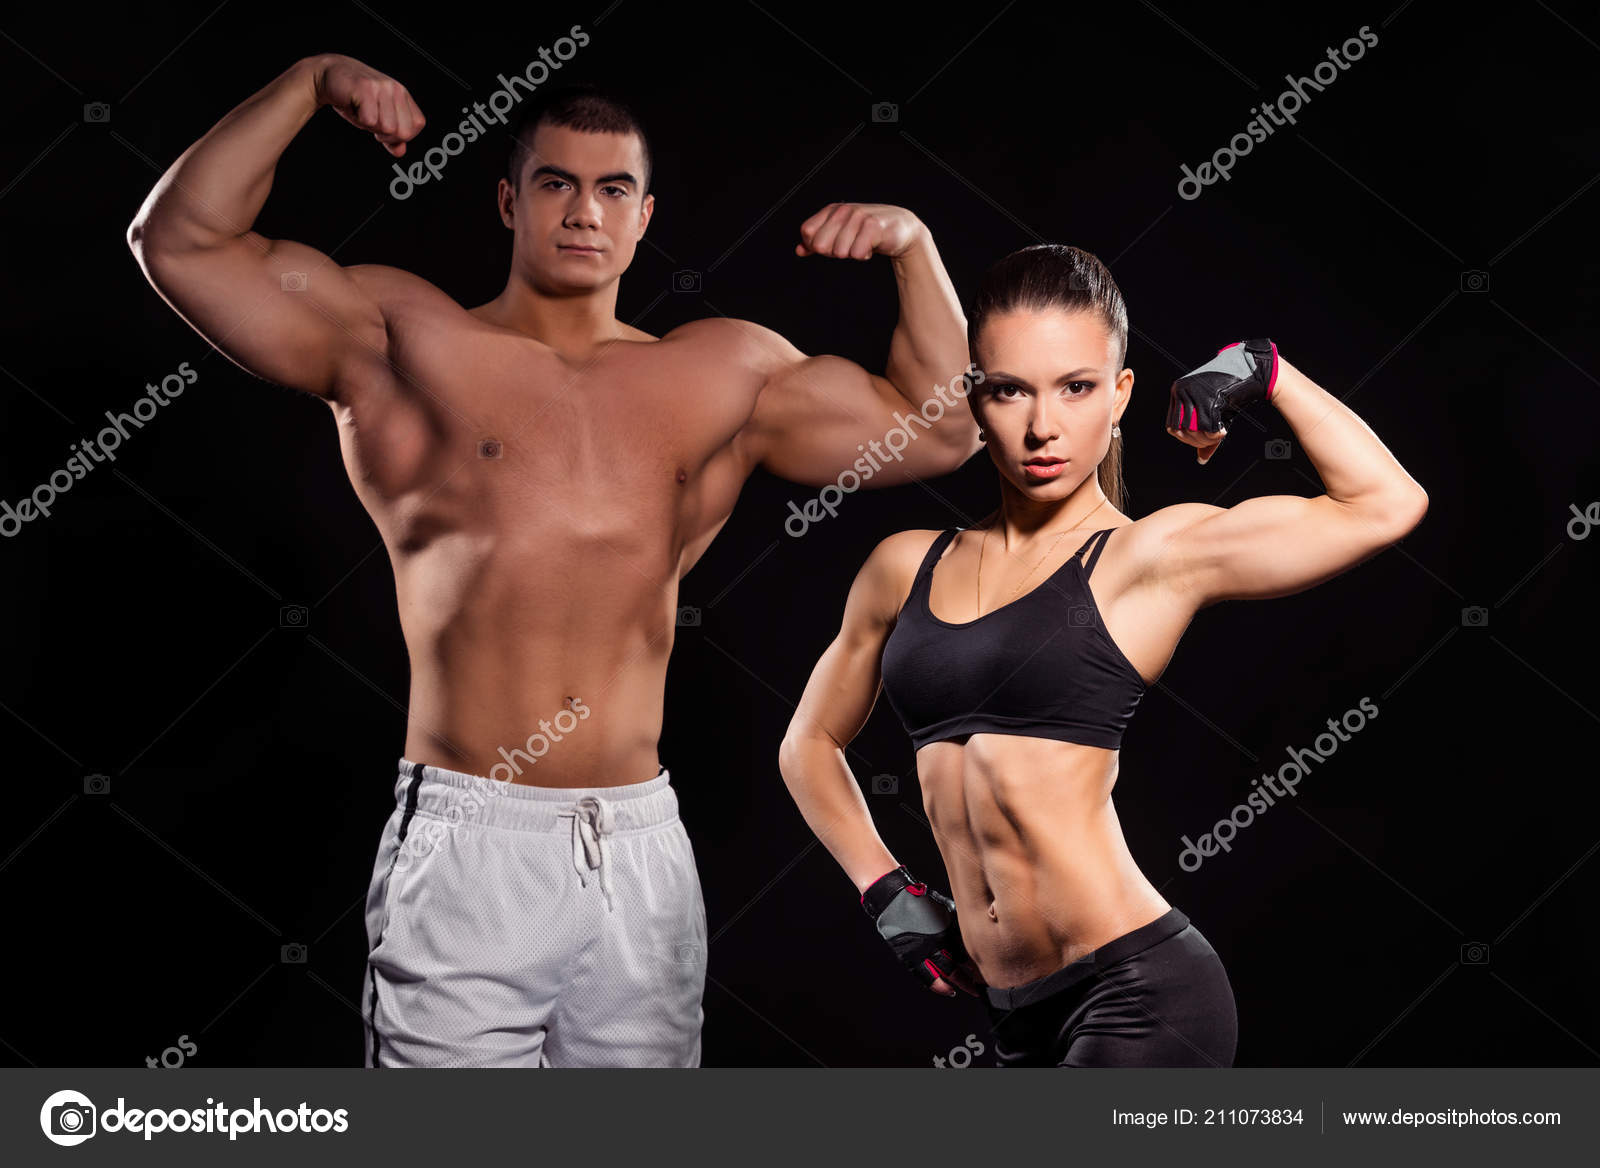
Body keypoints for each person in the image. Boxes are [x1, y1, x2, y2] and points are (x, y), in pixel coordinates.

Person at [125, 52, 979, 1067]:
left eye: (612, 188)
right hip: (468, 842)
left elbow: (940, 429)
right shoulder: (403, 338)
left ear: (644, 216)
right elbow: (179, 243)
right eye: (555, 183)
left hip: (638, 848)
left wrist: (912, 248)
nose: (584, 210)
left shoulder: (720, 372)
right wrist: (309, 85)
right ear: (509, 201)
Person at [777, 243, 1428, 1066]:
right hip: (1014, 1016)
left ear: (1119, 396)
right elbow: (808, 744)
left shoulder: (1147, 557)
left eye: (1076, 388)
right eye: (1010, 389)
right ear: (975, 399)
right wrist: (882, 889)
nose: (1042, 425)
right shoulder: (903, 566)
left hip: (1140, 994)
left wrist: (1262, 372)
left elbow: (1387, 502)